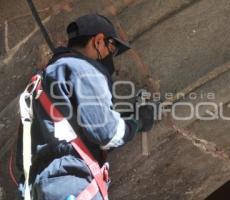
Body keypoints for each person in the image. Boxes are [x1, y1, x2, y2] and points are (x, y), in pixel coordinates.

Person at [16, 14, 154, 200]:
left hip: (39, 188)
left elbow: (72, 137)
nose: (110, 57)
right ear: (98, 41)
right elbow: (107, 134)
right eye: (111, 48)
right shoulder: (84, 68)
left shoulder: (39, 84)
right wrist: (137, 122)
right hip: (72, 183)